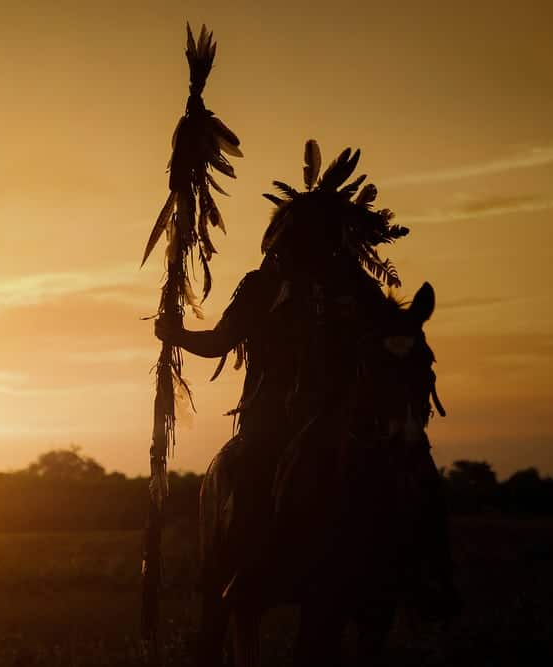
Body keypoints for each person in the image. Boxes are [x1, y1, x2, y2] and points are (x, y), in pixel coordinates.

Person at [155, 140, 458, 617]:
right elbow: (219, 341)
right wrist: (177, 335)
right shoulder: (261, 288)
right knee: (250, 467)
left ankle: (430, 574)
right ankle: (246, 568)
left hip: (344, 408)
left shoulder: (355, 288)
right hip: (271, 415)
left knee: (415, 464)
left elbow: (390, 332)